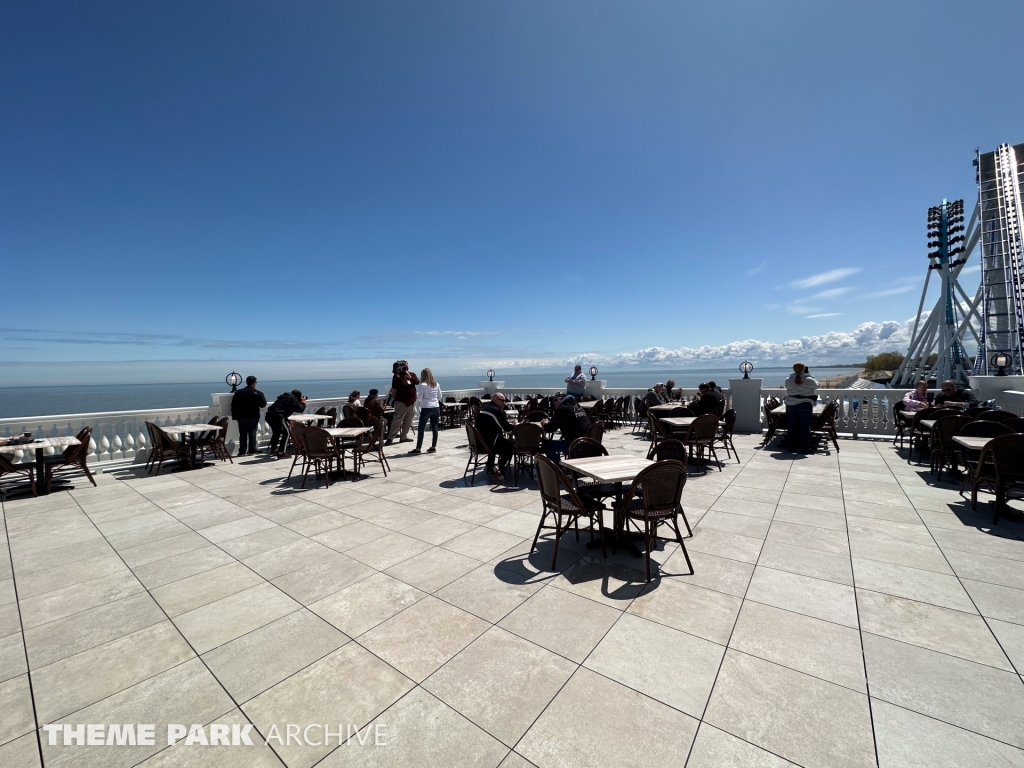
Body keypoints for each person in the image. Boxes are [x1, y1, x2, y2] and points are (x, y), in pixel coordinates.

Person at [542, 394, 591, 465]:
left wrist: (545, 424)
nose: (554, 403)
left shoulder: (562, 409)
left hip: (575, 443)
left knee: (546, 446)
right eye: (553, 401)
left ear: (561, 399)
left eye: (555, 400)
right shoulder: (577, 406)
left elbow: (551, 428)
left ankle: (559, 469)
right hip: (588, 441)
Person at [476, 392, 514, 478]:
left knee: (499, 440)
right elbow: (506, 428)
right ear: (495, 400)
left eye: (505, 401)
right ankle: (500, 467)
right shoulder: (496, 411)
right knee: (509, 446)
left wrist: (507, 423)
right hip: (489, 444)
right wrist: (517, 426)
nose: (504, 403)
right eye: (502, 401)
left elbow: (495, 423)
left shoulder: (485, 408)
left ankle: (490, 465)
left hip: (479, 442)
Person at [784, 363, 818, 454]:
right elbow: (817, 386)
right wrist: (810, 375)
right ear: (804, 369)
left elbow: (787, 387)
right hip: (805, 404)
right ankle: (805, 448)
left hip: (790, 404)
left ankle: (792, 447)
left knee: (791, 427)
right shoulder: (809, 379)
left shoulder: (788, 380)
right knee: (805, 427)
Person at [230, 376, 267, 456]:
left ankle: (242, 452)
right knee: (252, 433)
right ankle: (252, 450)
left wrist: (235, 415)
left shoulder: (239, 392)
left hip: (241, 416)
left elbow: (233, 404)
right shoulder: (258, 393)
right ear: (254, 383)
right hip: (253, 416)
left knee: (242, 434)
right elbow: (263, 404)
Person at [266, 389, 306, 458]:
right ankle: (281, 453)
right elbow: (300, 409)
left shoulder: (285, 397)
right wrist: (303, 401)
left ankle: (274, 449)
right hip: (278, 416)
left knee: (276, 432)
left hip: (269, 416)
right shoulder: (293, 399)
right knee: (286, 433)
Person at [386, 364, 419, 445]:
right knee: (397, 420)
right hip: (401, 402)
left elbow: (417, 382)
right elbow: (394, 386)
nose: (404, 369)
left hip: (411, 402)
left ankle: (403, 436)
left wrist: (410, 377)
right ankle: (390, 438)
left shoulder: (411, 374)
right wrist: (398, 377)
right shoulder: (397, 377)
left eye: (405, 367)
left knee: (408, 420)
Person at [411, 368, 442, 454]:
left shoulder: (423, 385)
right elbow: (440, 397)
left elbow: (420, 398)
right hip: (435, 407)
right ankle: (433, 447)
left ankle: (418, 448)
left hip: (426, 408)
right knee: (435, 427)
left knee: (421, 428)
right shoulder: (437, 384)